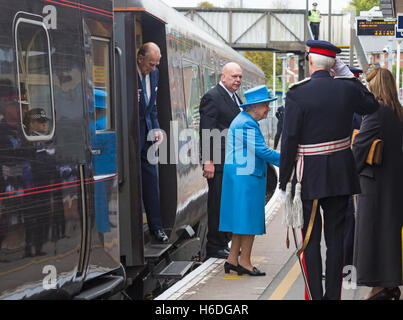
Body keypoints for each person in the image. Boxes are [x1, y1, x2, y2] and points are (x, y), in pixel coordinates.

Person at [279, 40, 379, 300]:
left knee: (310, 240)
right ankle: (333, 296)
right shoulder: (347, 89)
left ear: (310, 62)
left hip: (307, 178)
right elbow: (372, 105)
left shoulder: (297, 93)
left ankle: (314, 295)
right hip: (339, 176)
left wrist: (283, 182)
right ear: (335, 64)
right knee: (335, 239)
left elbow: (289, 139)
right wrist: (348, 77)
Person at [352, 67, 403, 300]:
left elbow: (360, 147)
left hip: (374, 183)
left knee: (371, 234)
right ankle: (390, 284)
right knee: (388, 233)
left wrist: (348, 173)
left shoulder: (376, 112)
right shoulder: (398, 111)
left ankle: (378, 287)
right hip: (393, 183)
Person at [219, 85, 280, 276]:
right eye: (265, 105)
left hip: (241, 175)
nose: (268, 109)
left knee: (241, 220)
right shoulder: (247, 123)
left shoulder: (243, 120)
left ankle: (232, 260)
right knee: (249, 221)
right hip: (245, 177)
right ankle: (244, 262)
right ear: (254, 106)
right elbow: (261, 150)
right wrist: (288, 159)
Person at [199, 62, 243, 259]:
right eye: (234, 76)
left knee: (227, 203)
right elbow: (206, 130)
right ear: (223, 77)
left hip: (230, 161)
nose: (237, 80)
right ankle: (215, 245)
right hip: (217, 162)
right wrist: (207, 160)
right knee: (217, 204)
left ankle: (224, 241)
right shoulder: (213, 97)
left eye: (240, 77)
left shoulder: (233, 97)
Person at [137, 42, 167, 242]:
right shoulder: (126, 72)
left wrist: (156, 127)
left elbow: (152, 106)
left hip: (147, 133)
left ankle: (156, 227)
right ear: (139, 58)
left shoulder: (154, 75)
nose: (153, 68)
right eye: (150, 64)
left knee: (151, 180)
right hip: (130, 134)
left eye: (156, 64)